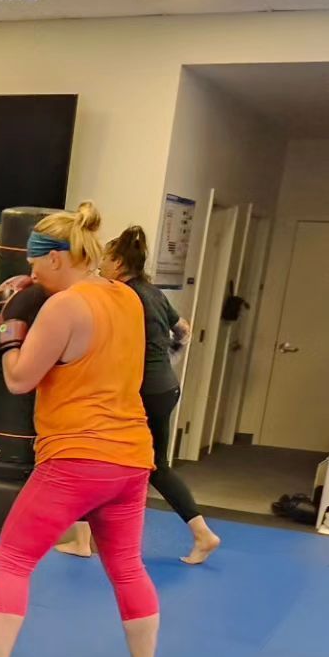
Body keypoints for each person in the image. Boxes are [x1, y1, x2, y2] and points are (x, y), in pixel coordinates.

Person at [0, 203, 160, 657]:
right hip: (131, 456)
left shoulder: (64, 306)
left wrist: (5, 326)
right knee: (126, 565)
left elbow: (18, 380)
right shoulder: (127, 298)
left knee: (13, 558)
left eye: (35, 263)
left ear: (58, 258)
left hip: (78, 455)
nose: (31, 274)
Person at [103, 226, 220, 565]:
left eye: (105, 261)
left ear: (120, 263)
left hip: (146, 391)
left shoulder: (122, 294)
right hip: (165, 385)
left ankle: (202, 534)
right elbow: (183, 328)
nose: (100, 268)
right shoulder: (152, 292)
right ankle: (92, 536)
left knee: (149, 465)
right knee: (142, 463)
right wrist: (168, 356)